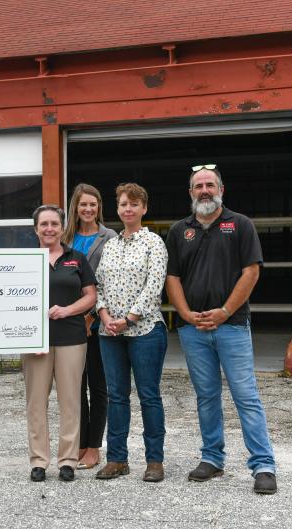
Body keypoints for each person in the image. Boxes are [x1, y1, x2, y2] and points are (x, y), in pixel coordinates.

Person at [164, 164, 277, 495]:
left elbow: (251, 272)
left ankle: (264, 465)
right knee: (207, 396)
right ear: (190, 193)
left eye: (210, 185)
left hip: (233, 326)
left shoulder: (240, 224)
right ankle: (212, 459)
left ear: (221, 190)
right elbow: (173, 278)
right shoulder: (178, 231)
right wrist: (185, 314)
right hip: (194, 329)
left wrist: (226, 312)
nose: (204, 190)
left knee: (246, 396)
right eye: (198, 186)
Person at [94, 183, 168, 483]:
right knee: (116, 396)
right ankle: (117, 459)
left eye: (134, 204)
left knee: (148, 396)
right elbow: (98, 284)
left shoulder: (154, 243)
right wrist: (104, 315)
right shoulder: (110, 245)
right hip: (109, 331)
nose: (128, 209)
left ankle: (154, 461)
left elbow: (154, 286)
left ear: (144, 209)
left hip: (146, 330)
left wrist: (128, 318)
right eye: (123, 204)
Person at [24, 205, 97, 483]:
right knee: (36, 403)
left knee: (70, 402)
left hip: (71, 339)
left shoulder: (76, 259)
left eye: (54, 224)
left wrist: (67, 310)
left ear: (61, 227)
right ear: (36, 229)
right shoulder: (25, 261)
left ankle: (68, 461)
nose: (49, 229)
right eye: (44, 224)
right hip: (35, 342)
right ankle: (39, 461)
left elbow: (91, 296)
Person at [61, 183, 117, 470]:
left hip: (96, 325)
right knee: (74, 388)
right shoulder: (65, 237)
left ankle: (94, 447)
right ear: (76, 207)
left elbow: (110, 282)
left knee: (98, 386)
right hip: (68, 327)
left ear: (99, 207)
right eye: (83, 204)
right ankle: (79, 443)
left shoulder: (109, 237)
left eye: (93, 204)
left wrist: (91, 316)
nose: (88, 209)